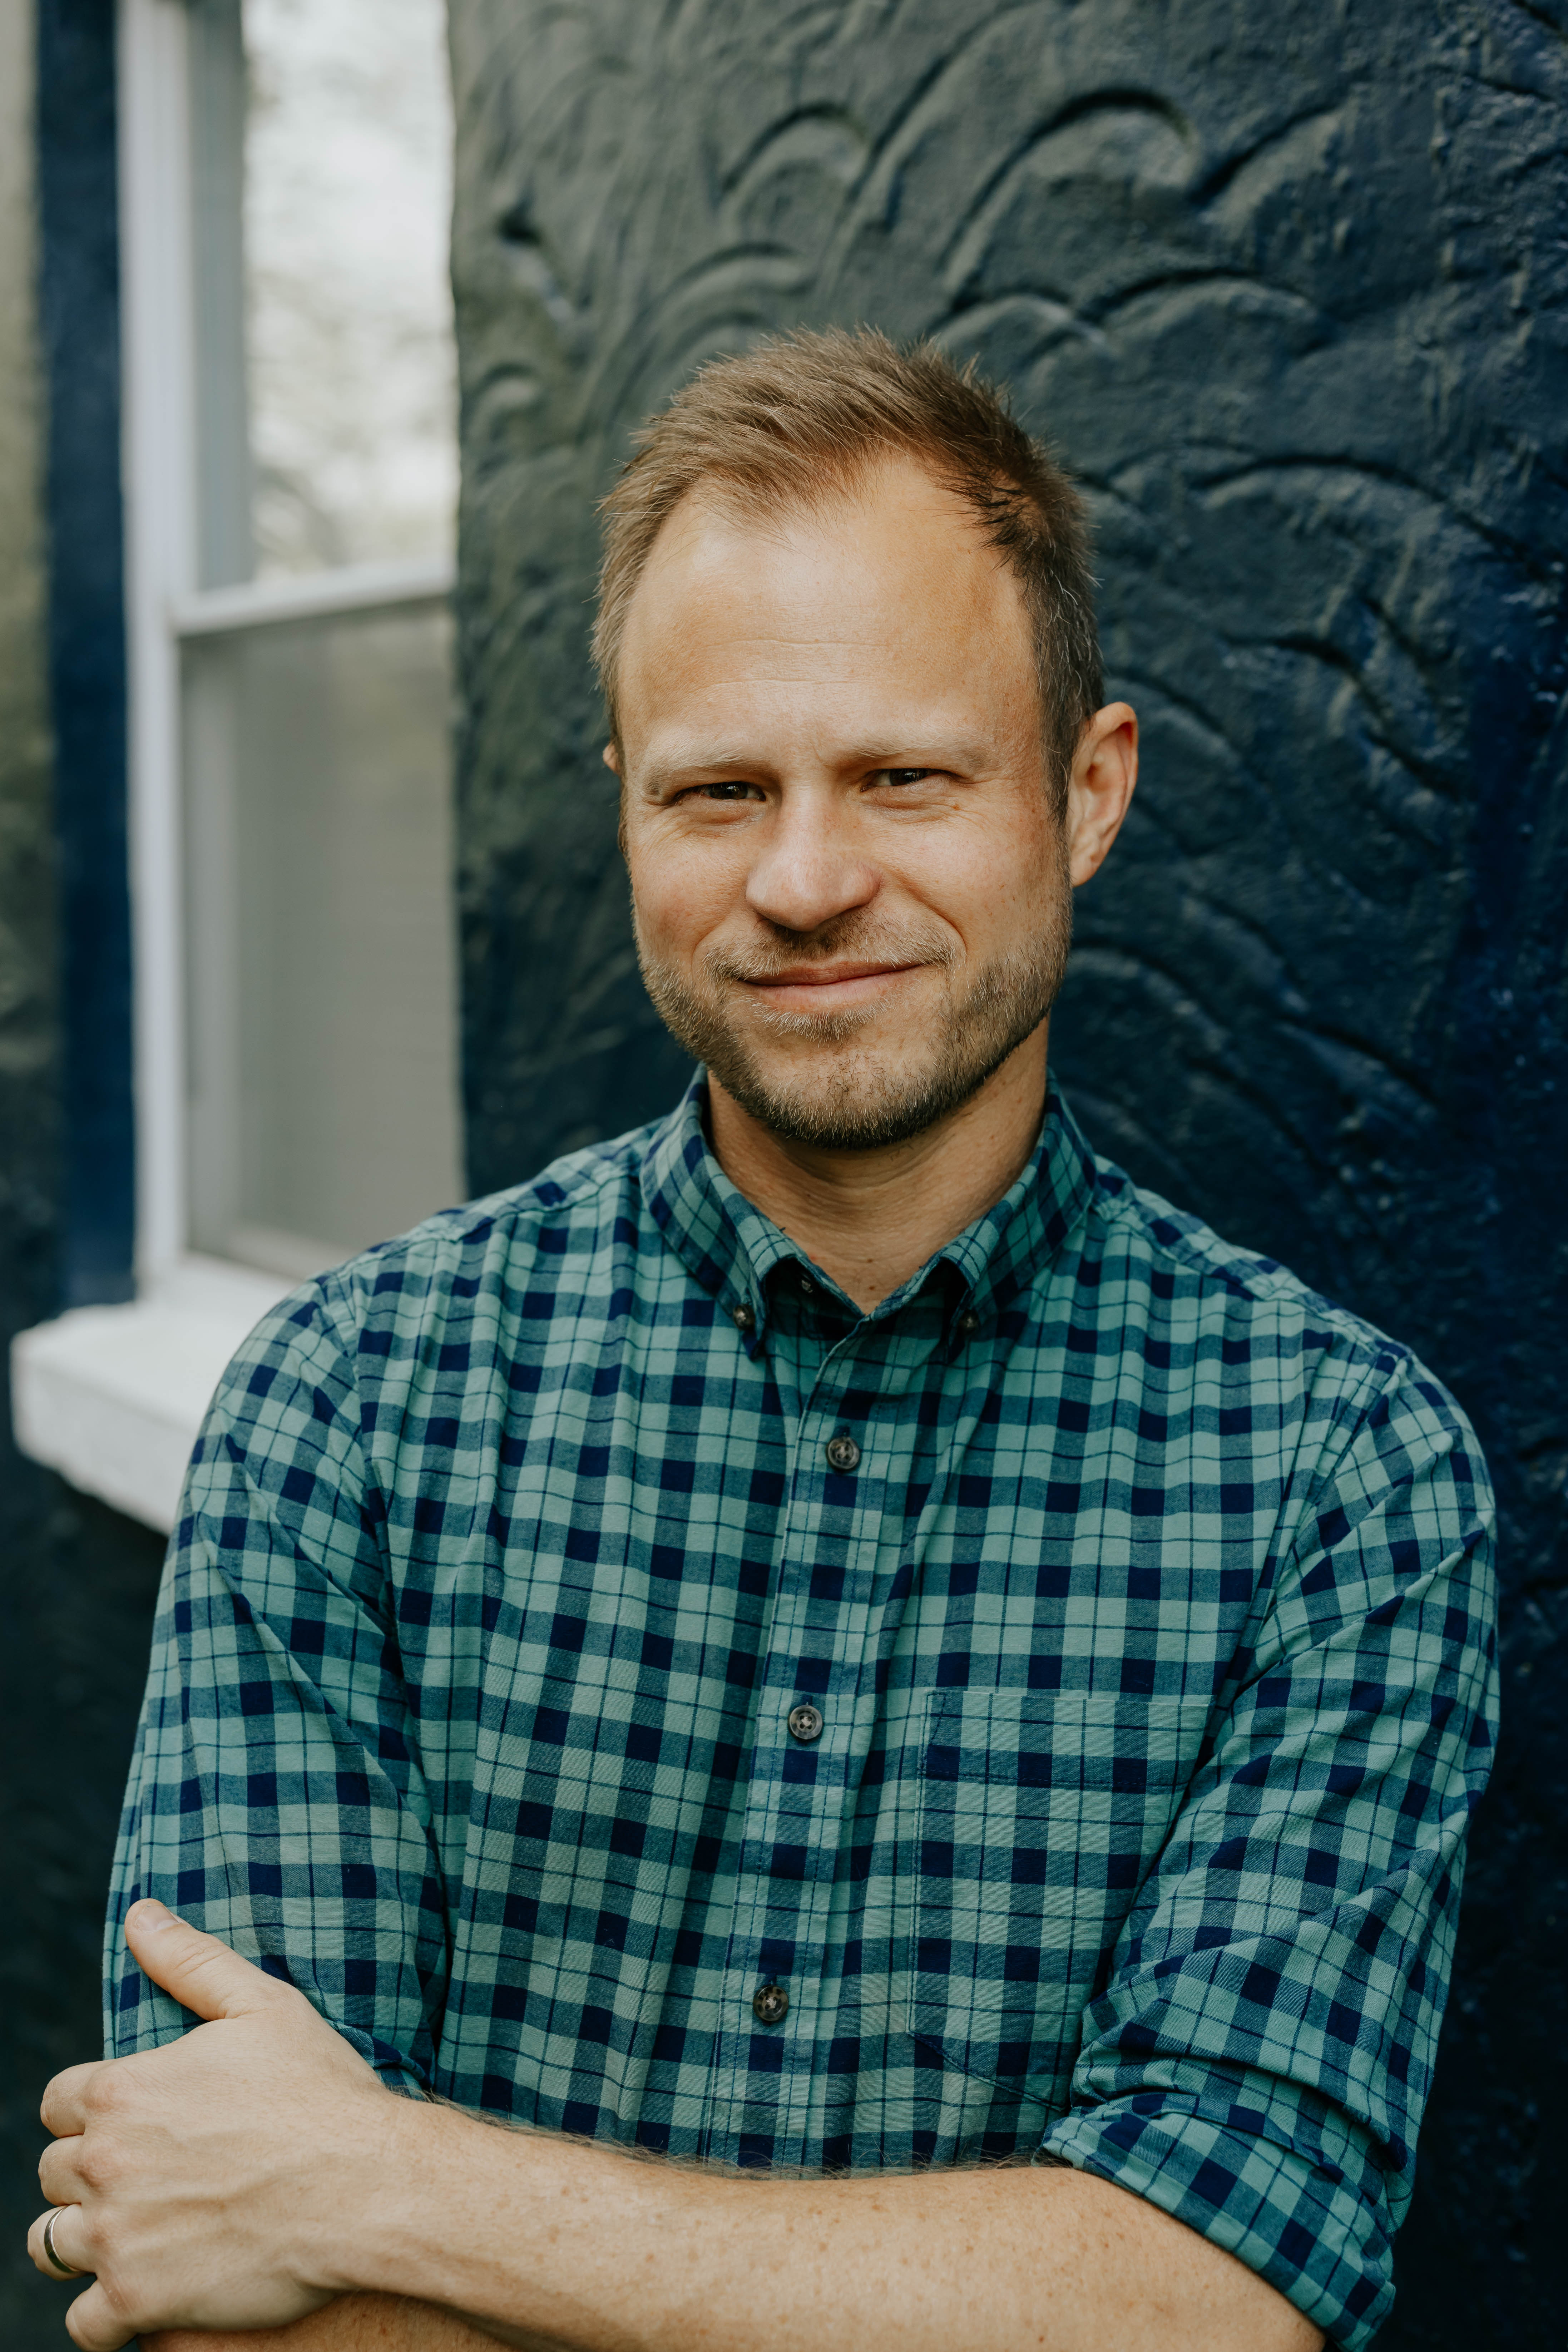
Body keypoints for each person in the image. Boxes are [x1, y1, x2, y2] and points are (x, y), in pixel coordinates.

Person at [31, 330, 1496, 2352]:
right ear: (627, 801)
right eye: (722, 788)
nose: (805, 879)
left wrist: (394, 2179)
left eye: (902, 773)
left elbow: (1211, 2293)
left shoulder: (1335, 1477)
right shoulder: (349, 1408)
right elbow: (233, 2286)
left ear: (1085, 792)